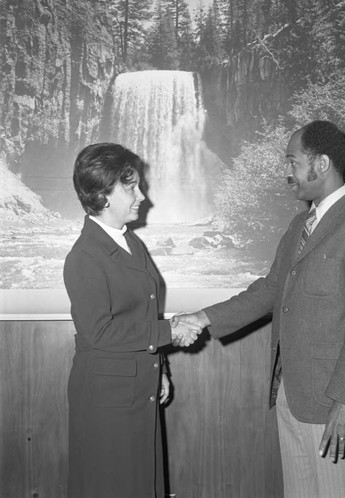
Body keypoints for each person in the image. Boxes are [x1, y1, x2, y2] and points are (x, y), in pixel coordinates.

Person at [173, 121, 345, 497]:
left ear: (320, 163)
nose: (286, 172)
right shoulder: (299, 225)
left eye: (292, 161)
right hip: (290, 393)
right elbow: (271, 290)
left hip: (331, 404)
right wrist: (203, 318)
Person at [63, 143, 201, 498]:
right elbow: (100, 332)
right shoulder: (84, 256)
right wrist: (171, 331)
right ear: (101, 194)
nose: (142, 196)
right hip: (108, 401)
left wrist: (162, 368)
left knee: (142, 483)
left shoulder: (130, 243)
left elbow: (143, 311)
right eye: (131, 187)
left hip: (138, 388)